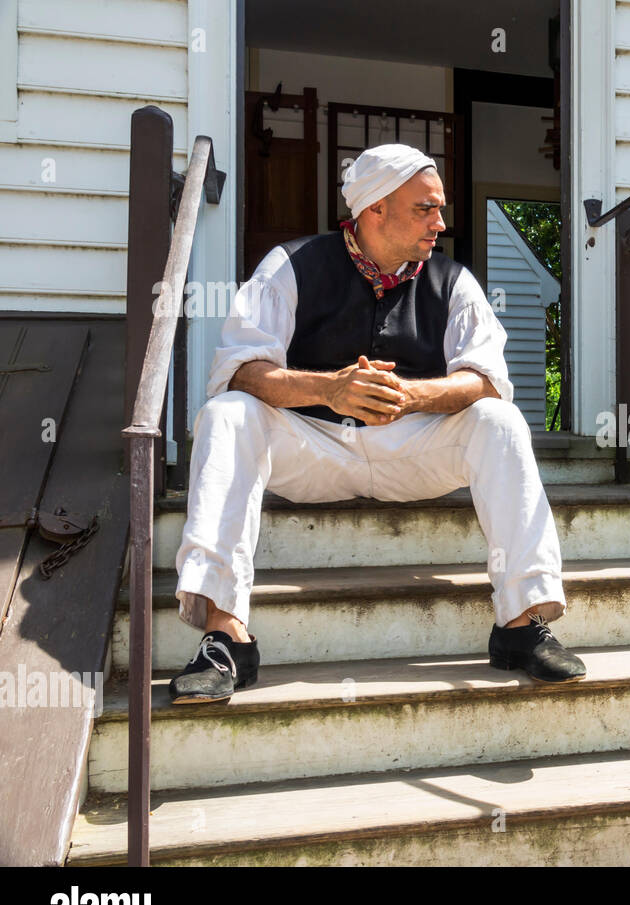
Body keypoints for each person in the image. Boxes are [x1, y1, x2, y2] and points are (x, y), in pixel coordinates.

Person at [167, 143, 584, 703]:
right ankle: (226, 637)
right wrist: (330, 388)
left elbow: (486, 379)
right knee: (226, 413)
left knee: (499, 421)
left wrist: (413, 396)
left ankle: (520, 625)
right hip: (313, 448)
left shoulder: (454, 281)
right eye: (424, 209)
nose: (440, 222)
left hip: (411, 451)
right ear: (374, 210)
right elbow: (241, 370)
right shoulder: (290, 266)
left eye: (439, 209)